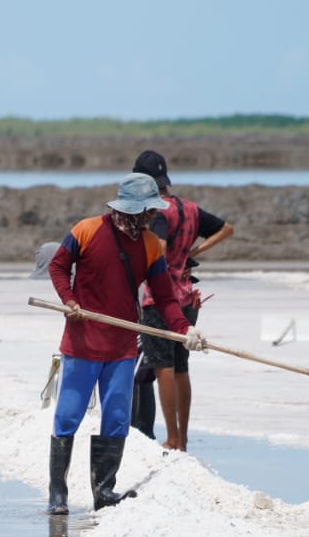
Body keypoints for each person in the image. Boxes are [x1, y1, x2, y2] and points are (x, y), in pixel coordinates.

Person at [46, 173, 206, 515]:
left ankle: (104, 491)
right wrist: (69, 301)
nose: (152, 217)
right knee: (68, 416)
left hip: (122, 347)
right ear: (132, 210)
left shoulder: (150, 245)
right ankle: (57, 494)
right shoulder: (85, 231)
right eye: (148, 211)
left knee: (117, 417)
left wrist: (184, 328)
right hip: (82, 342)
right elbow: (58, 267)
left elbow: (164, 296)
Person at [131, 149, 234, 451]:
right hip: (188, 297)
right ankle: (183, 438)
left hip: (161, 298)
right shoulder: (189, 208)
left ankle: (172, 438)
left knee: (162, 366)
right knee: (180, 367)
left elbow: (159, 249)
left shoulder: (158, 212)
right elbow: (226, 229)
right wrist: (193, 253)